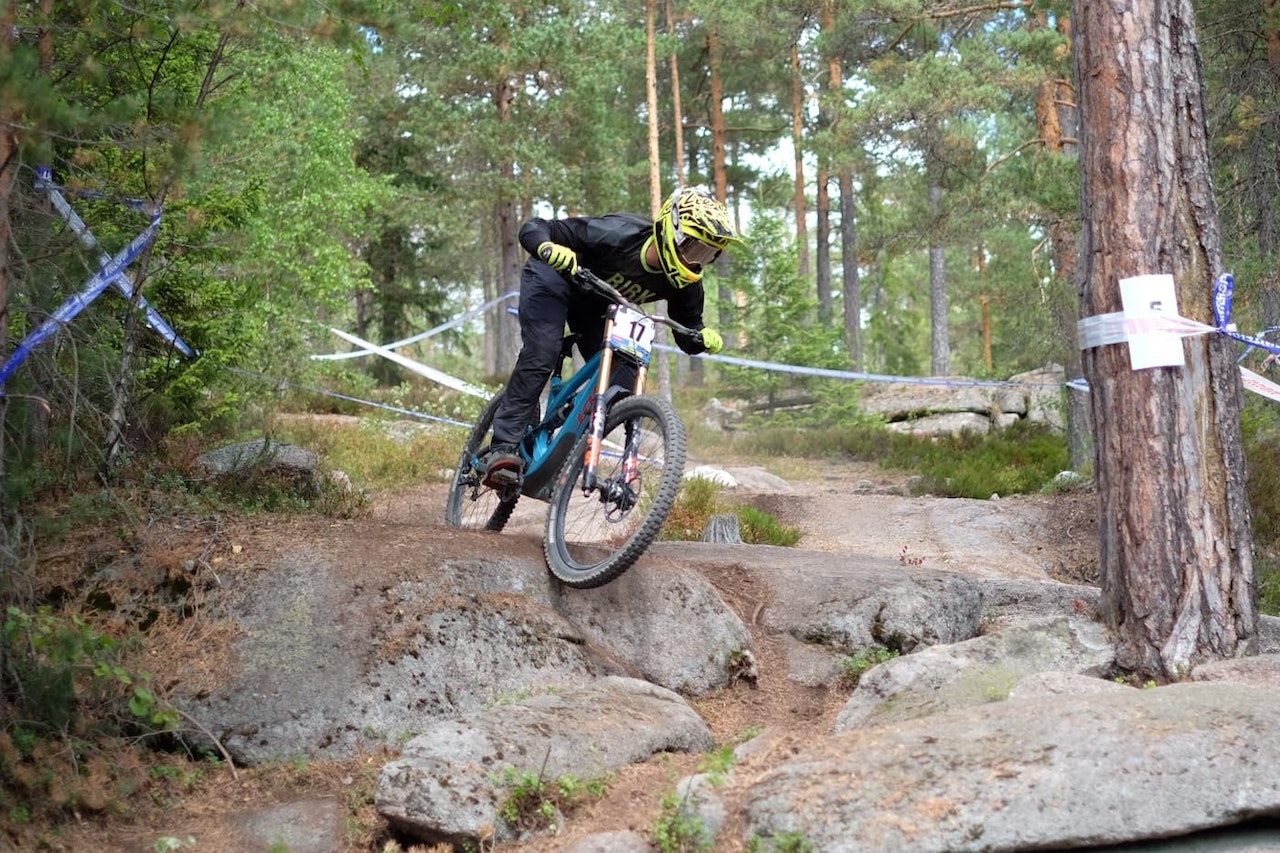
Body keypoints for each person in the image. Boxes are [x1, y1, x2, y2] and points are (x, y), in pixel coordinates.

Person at [480, 185, 743, 487]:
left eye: (708, 253)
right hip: (553, 279)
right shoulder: (618, 233)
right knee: (543, 351)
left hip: (596, 307)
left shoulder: (687, 285)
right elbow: (535, 228)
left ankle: (562, 439)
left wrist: (702, 338)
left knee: (622, 382)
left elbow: (688, 330)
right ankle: (501, 448)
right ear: (671, 229)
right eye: (694, 247)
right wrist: (549, 249)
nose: (697, 260)